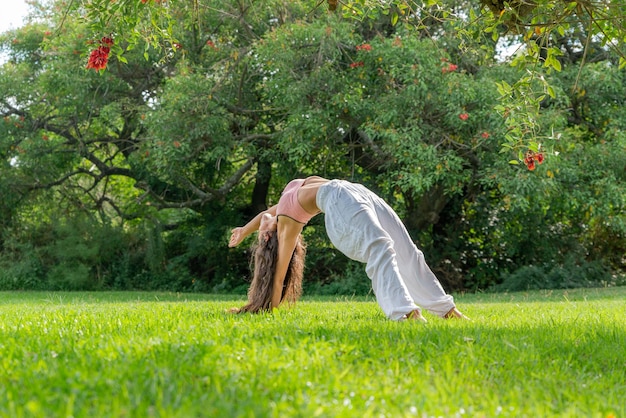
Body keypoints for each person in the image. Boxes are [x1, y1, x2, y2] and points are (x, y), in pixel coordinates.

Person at [228, 176, 467, 322]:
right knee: (380, 247)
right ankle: (404, 311)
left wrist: (242, 230)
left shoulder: (281, 205)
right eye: (262, 234)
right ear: (271, 237)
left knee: (408, 251)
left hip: (356, 191)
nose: (262, 227)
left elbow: (263, 215)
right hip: (338, 199)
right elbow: (278, 277)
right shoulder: (287, 226)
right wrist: (267, 306)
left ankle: (446, 309)